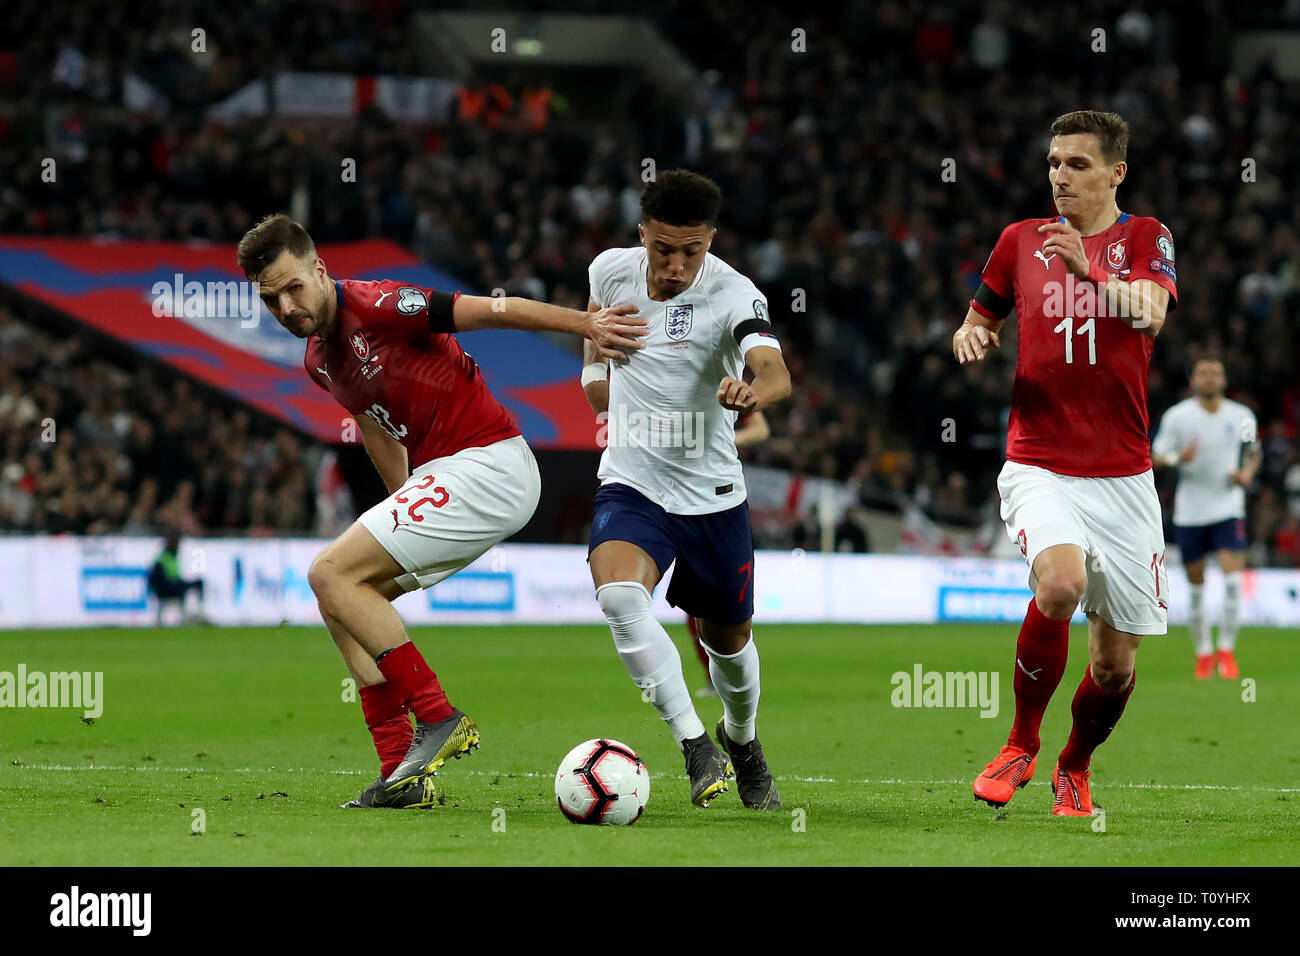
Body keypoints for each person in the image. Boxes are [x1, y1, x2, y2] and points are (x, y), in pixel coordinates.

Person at [236, 213, 645, 809]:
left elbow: (492, 311)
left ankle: (438, 716)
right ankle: (402, 776)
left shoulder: (378, 304)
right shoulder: (317, 360)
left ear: (319, 269)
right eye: (271, 298)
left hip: (489, 462)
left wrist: (582, 323)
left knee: (327, 572)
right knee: (340, 599)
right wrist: (401, 505)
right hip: (445, 476)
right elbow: (378, 428)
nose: (286, 306)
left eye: (293, 286)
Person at [953, 110, 1178, 816]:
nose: (1060, 176)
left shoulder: (1146, 237)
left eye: (1078, 164)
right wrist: (971, 337)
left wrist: (1089, 270)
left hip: (1123, 475)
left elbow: (1150, 313)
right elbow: (980, 316)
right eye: (1054, 163)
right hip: (1040, 461)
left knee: (1114, 667)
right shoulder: (1018, 241)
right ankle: (1019, 743)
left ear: (1116, 173)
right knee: (1059, 585)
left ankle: (1073, 764)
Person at [580, 170, 791, 809]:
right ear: (642, 234)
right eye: (663, 249)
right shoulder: (608, 272)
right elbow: (594, 356)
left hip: (712, 493)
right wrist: (600, 381)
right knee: (619, 594)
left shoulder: (734, 293)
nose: (675, 266)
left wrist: (753, 391)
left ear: (711, 241)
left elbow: (775, 371)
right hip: (633, 481)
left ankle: (743, 740)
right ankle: (695, 745)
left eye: (691, 252)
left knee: (728, 644)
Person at [1152, 358, 1260, 678]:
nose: (1209, 378)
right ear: (1193, 381)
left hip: (1228, 507)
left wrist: (1247, 473)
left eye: (1215, 373)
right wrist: (1176, 458)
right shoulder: (1177, 417)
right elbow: (1156, 455)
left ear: (1224, 380)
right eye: (1203, 373)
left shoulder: (1242, 416)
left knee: (1231, 581)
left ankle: (1226, 650)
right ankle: (1203, 653)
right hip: (1192, 511)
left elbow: (1254, 450)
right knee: (1196, 587)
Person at [688, 410, 769, 697]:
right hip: (682, 499)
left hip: (724, 500)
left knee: (727, 602)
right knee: (694, 606)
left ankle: (736, 678)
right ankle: (714, 676)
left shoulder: (730, 385)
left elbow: (760, 428)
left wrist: (729, 437)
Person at [147, 529, 206, 624]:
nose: (177, 546)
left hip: (174, 585)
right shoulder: (162, 559)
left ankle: (199, 611)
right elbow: (157, 581)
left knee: (198, 582)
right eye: (175, 543)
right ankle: (194, 614)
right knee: (185, 585)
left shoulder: (172, 557)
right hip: (166, 589)